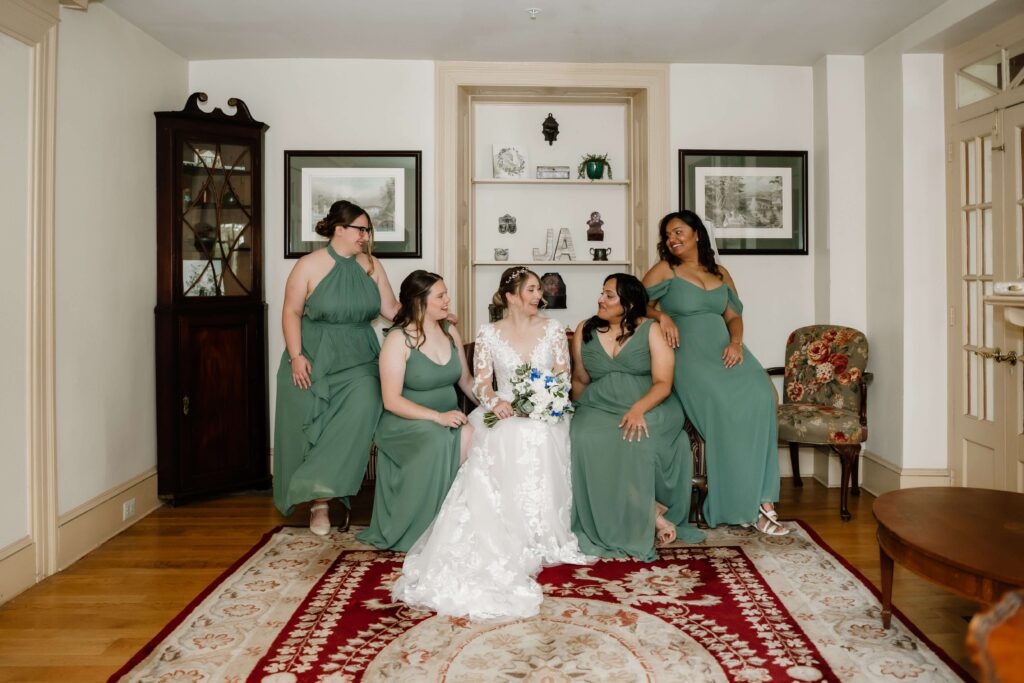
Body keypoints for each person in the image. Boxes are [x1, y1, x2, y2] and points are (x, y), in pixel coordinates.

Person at [392, 266, 594, 620]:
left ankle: (543, 531)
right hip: (501, 411)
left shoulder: (552, 331)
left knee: (540, 433)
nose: (539, 296)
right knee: (505, 436)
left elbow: (562, 378)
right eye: (531, 290)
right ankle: (504, 529)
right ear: (511, 296)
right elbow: (481, 382)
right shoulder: (488, 334)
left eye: (539, 291)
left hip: (545, 413)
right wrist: (497, 403)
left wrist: (544, 402)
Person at [642, 210, 788, 536]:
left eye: (678, 232)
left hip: (726, 350)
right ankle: (748, 506)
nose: (672, 240)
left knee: (764, 395)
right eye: (667, 236)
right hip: (689, 356)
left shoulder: (721, 272)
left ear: (697, 233)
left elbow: (733, 316)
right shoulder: (667, 269)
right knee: (724, 406)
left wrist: (736, 343)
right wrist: (661, 317)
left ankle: (763, 498)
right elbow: (634, 301)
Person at [273, 200, 400, 536]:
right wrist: (296, 355)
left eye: (368, 230)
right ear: (339, 229)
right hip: (314, 356)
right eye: (361, 229)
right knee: (314, 422)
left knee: (366, 402)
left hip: (360, 356)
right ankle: (319, 504)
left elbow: (390, 309)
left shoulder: (372, 265)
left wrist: (430, 315)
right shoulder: (308, 265)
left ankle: (321, 485)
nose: (366, 236)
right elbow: (291, 313)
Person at [570, 274, 705, 561]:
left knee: (631, 437)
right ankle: (651, 511)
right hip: (599, 404)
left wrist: (638, 409)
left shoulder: (652, 330)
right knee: (581, 437)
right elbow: (580, 380)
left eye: (609, 295)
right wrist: (570, 411)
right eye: (601, 293)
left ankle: (643, 516)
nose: (600, 299)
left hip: (650, 403)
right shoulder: (585, 330)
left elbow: (663, 383)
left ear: (629, 303)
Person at [356, 271, 477, 551]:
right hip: (405, 421)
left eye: (446, 294)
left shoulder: (450, 332)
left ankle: (449, 521)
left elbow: (467, 382)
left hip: (448, 418)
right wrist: (437, 417)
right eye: (441, 295)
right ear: (419, 301)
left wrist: (495, 406)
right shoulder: (398, 340)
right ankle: (426, 525)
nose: (448, 300)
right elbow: (391, 400)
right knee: (451, 436)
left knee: (476, 432)